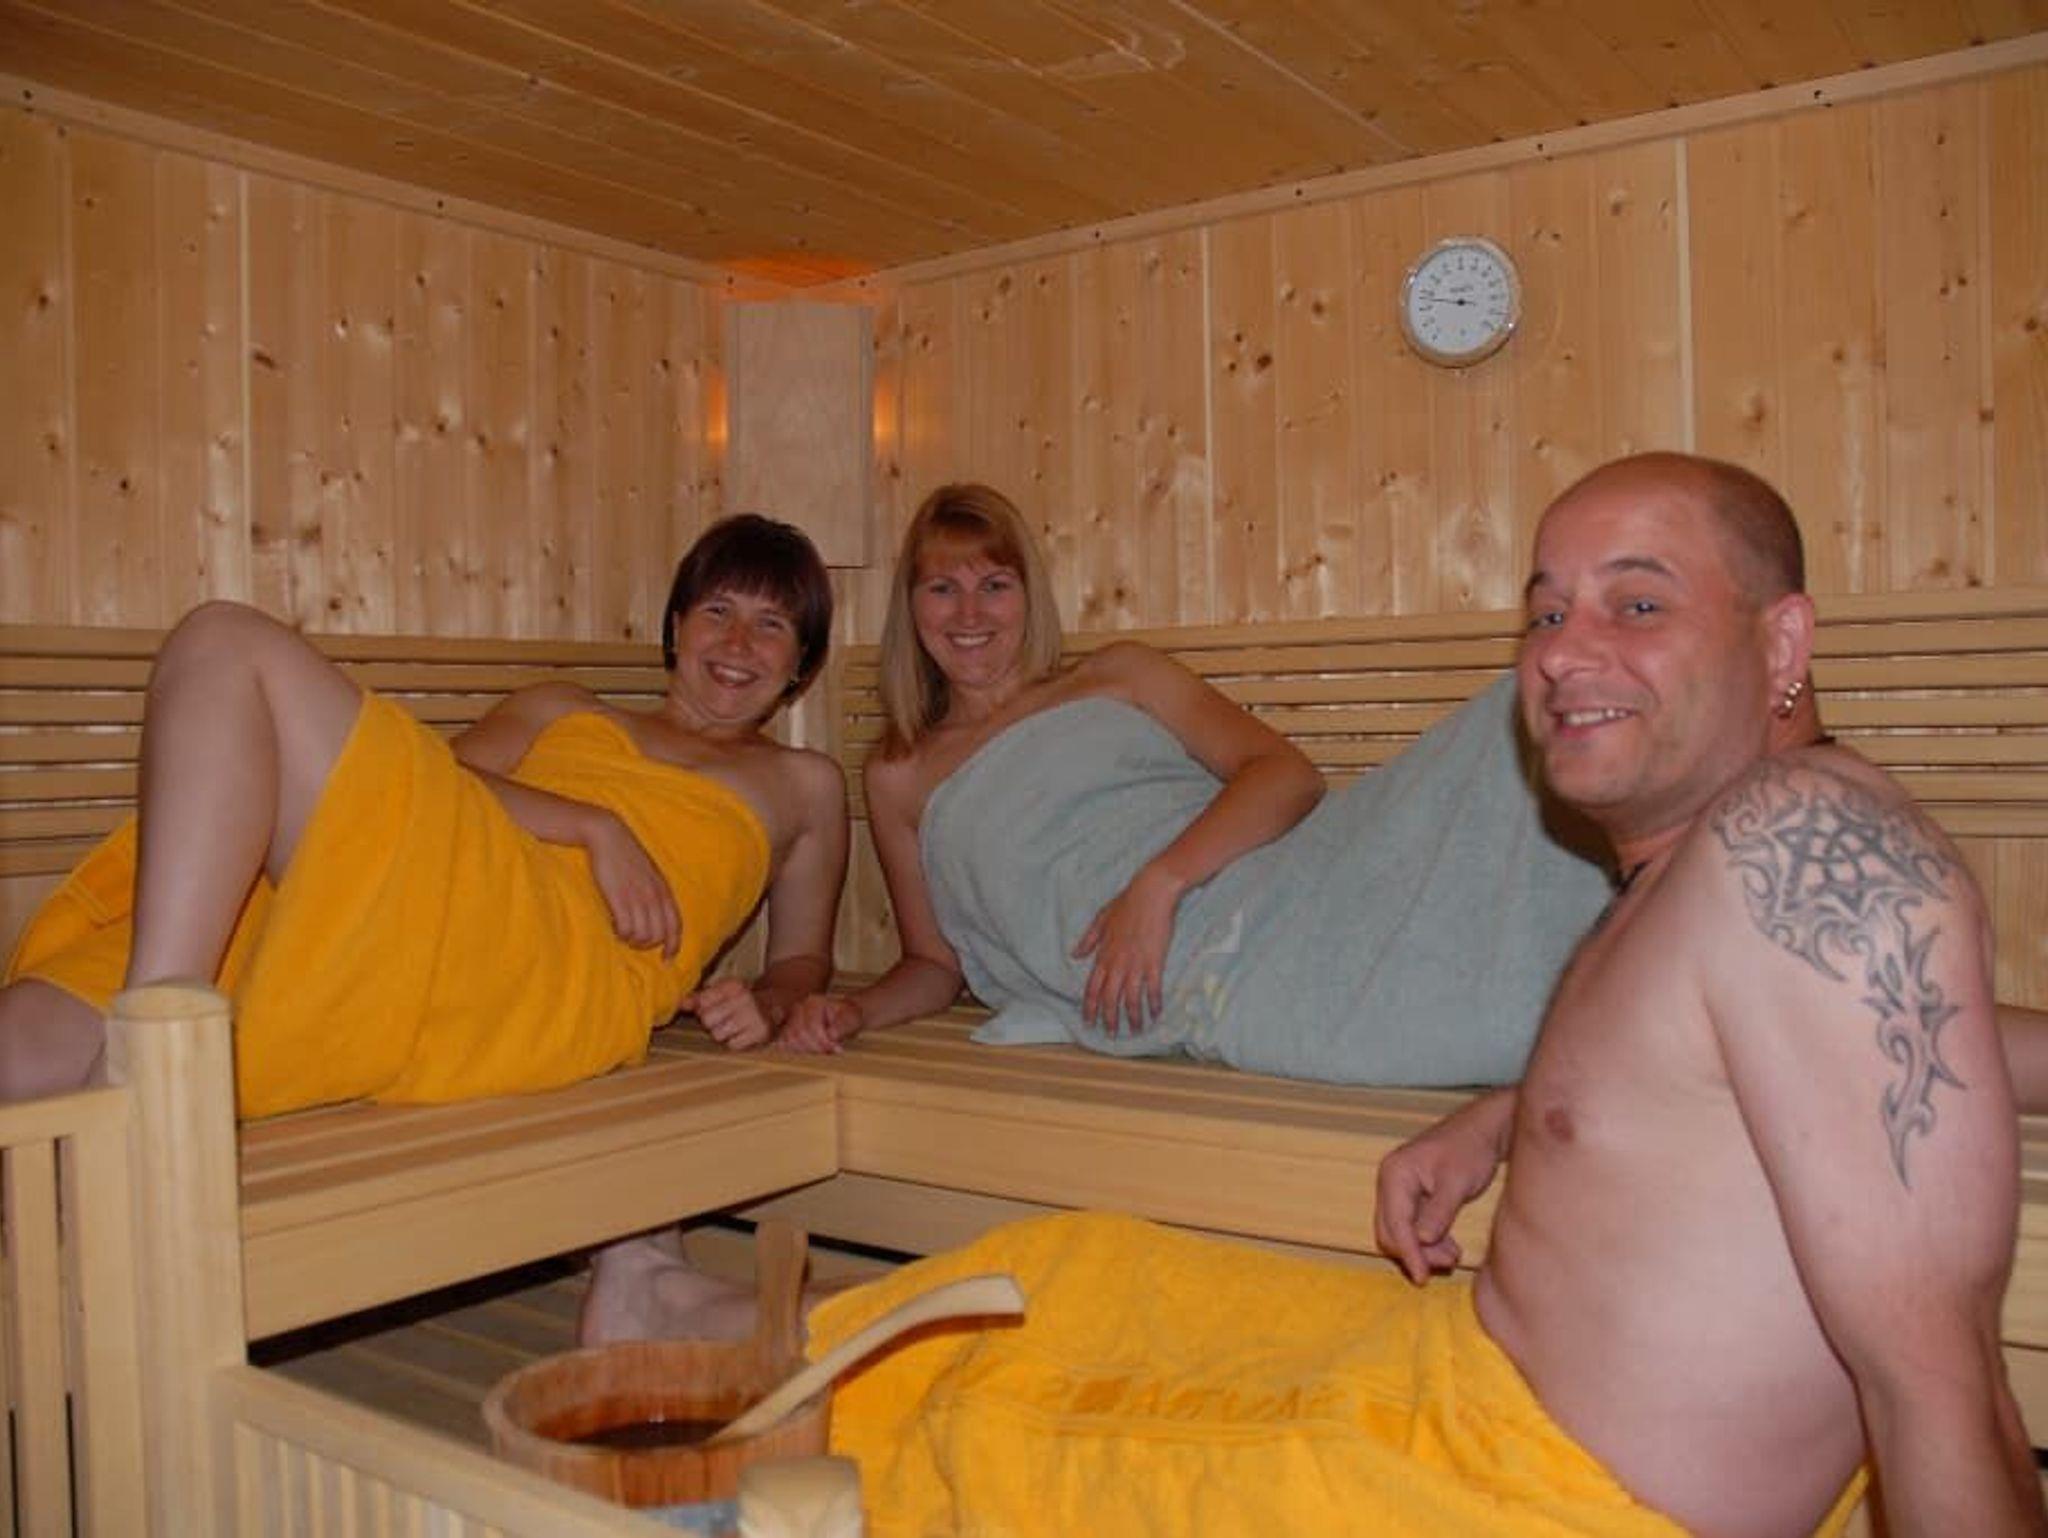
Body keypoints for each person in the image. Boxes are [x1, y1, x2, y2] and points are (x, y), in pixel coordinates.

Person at [787, 453, 2045, 1537]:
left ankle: (746, 1369)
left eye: (1637, 603)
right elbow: (1878, 1039)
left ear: (1781, 645)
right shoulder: (1711, 892)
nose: (1564, 653)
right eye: (1544, 614)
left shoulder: (1798, 840)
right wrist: (1509, 1113)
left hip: (1522, 1473)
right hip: (1483, 1383)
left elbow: (1940, 1389)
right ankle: (735, 1327)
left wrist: (1160, 882)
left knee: (993, 1404)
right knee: (1067, 1271)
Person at [0, 513, 847, 1117]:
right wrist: (595, 825)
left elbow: (802, 958)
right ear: (677, 625)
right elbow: (437, 789)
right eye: (718, 612)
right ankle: (155, 1041)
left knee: (222, 639)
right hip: (415, 911)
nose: (738, 644)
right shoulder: (561, 708)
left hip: (560, 968)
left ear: (801, 662)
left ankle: (155, 1045)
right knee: (19, 1048)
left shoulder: (803, 783)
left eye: (771, 625)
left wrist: (768, 1004)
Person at [778, 483, 1617, 1088]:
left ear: (1028, 597)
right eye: (943, 588)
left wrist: (1158, 885)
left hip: (1285, 882)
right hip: (1209, 973)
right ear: (912, 607)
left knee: (1524, 710)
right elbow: (934, 961)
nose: (970, 614)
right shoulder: (901, 775)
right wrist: (855, 1011)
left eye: (995, 585)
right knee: (1491, 1013)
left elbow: (1285, 776)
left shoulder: (1119, 675)